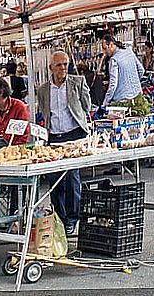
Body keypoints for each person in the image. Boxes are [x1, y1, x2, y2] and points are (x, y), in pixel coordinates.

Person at [36, 51, 91, 234]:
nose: (63, 68)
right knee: (55, 180)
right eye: (59, 65)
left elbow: (86, 105)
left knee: (72, 178)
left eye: (65, 64)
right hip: (54, 137)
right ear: (51, 67)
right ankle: (59, 216)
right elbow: (44, 111)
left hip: (74, 135)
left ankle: (72, 217)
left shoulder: (77, 82)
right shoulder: (43, 89)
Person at [99, 33, 144, 109]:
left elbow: (113, 84)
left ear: (111, 45)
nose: (104, 52)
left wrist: (105, 103)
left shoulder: (114, 60)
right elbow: (141, 70)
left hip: (122, 101)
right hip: (137, 96)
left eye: (105, 48)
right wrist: (133, 82)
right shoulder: (129, 51)